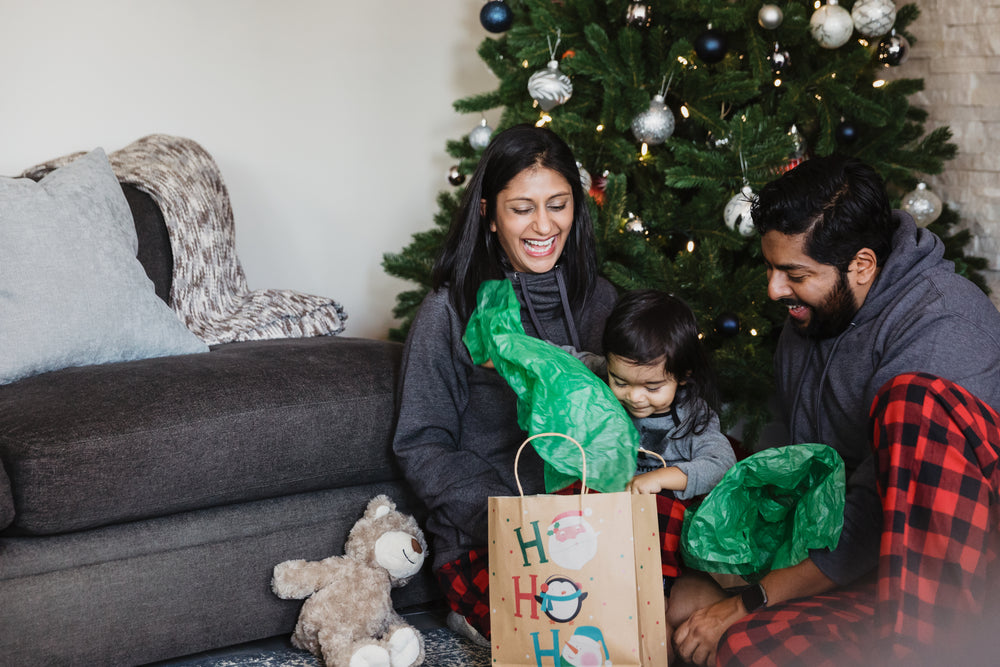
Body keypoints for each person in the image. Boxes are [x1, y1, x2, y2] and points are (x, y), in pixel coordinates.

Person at [668, 155, 1000, 666]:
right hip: (860, 561)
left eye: (794, 273)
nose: (774, 289)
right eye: (771, 267)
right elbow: (806, 469)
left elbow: (876, 510)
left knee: (913, 399)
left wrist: (750, 600)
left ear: (862, 265)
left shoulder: (944, 322)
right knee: (716, 629)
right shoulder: (811, 320)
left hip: (951, 578)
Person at [391, 124, 618, 645]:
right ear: (489, 214)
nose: (544, 224)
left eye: (558, 205)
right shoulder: (449, 312)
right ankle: (471, 609)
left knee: (644, 622)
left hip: (589, 528)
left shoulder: (599, 301)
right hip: (489, 536)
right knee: (562, 639)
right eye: (522, 209)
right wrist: (514, 519)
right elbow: (421, 443)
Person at [602, 289, 736, 593]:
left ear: (683, 375)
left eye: (652, 387)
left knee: (662, 511)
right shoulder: (603, 373)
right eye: (620, 382)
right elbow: (565, 360)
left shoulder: (693, 416)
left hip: (662, 529)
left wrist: (662, 478)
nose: (634, 397)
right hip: (612, 511)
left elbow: (723, 464)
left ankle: (654, 593)